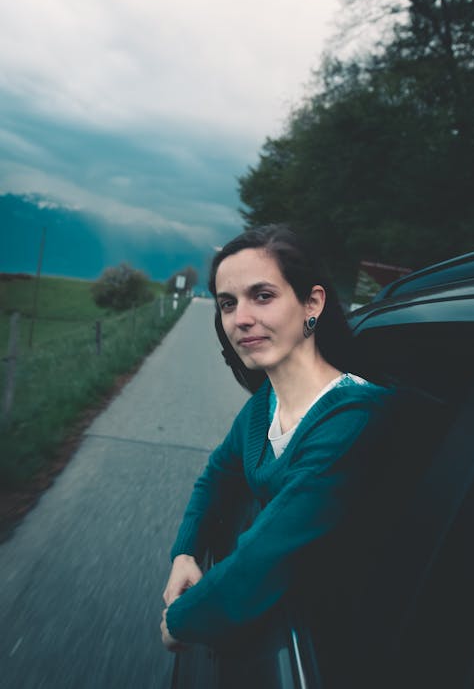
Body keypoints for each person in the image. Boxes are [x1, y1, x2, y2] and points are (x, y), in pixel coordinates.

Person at [160, 223, 396, 662]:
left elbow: (266, 559)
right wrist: (186, 551)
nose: (240, 318)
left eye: (262, 296)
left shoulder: (352, 421)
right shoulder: (264, 404)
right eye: (228, 304)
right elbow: (216, 476)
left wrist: (178, 624)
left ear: (313, 303)